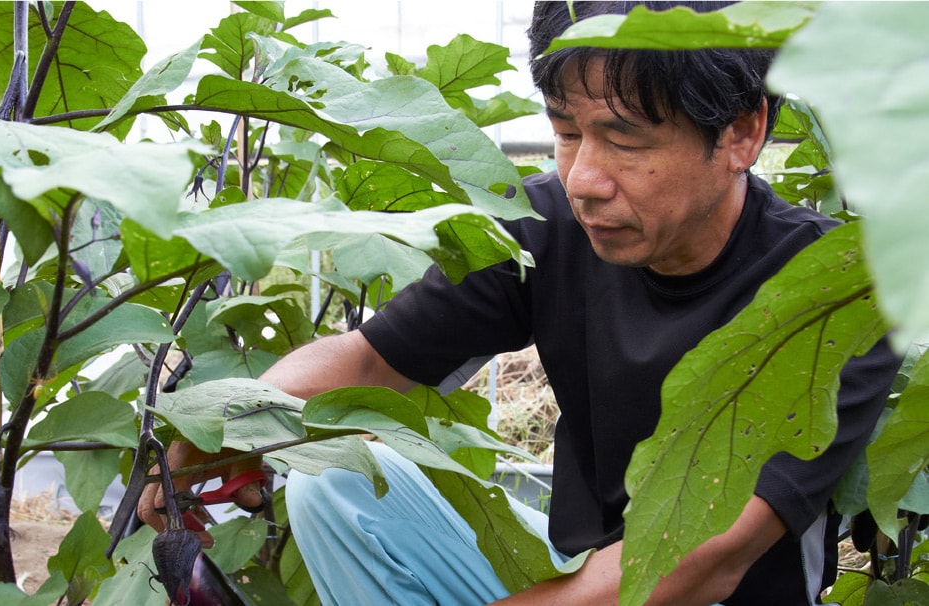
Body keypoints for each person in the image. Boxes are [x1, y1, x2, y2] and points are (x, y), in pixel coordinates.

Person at [139, 2, 901, 604]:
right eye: (565, 132)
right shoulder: (552, 226)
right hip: (574, 570)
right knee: (336, 476)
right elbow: (371, 359)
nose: (583, 179)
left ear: (741, 132)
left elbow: (706, 560)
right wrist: (216, 431)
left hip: (697, 592)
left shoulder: (837, 289)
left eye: (624, 139)